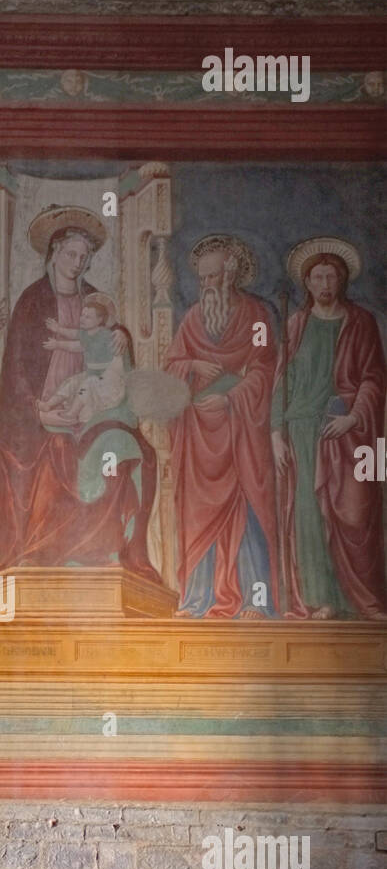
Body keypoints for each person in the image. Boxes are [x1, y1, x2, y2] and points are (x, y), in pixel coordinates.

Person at [0, 205, 159, 579]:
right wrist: (38, 411)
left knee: (120, 449)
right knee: (56, 451)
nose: (77, 263)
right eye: (70, 254)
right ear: (53, 254)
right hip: (44, 414)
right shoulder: (32, 302)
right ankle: (40, 551)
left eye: (84, 257)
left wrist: (122, 338)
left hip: (95, 410)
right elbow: (14, 369)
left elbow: (119, 365)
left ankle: (105, 549)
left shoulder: (96, 302)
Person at [164, 234, 279, 619]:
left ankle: (255, 600)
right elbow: (171, 368)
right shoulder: (193, 319)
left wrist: (232, 398)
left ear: (231, 273)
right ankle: (197, 600)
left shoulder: (257, 316)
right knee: (199, 517)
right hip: (199, 434)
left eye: (213, 276)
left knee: (246, 511)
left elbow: (265, 367)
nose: (207, 285)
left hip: (241, 430)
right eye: (201, 279)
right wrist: (193, 367)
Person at [272, 237, 387, 619]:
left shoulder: (360, 322)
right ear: (307, 283)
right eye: (317, 277)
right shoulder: (297, 322)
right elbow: (282, 381)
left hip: (345, 432)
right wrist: (275, 433)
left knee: (353, 513)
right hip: (301, 430)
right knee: (307, 512)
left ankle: (362, 600)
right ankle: (322, 599)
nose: (324, 284)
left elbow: (374, 378)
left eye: (331, 277)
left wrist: (354, 417)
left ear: (342, 281)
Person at [39, 291, 128, 428]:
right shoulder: (86, 334)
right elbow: (74, 337)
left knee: (87, 384)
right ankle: (48, 405)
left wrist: (58, 343)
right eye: (82, 315)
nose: (82, 318)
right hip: (92, 374)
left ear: (99, 320)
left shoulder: (105, 335)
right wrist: (58, 332)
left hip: (107, 380)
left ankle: (71, 415)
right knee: (72, 382)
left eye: (88, 317)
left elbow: (79, 346)